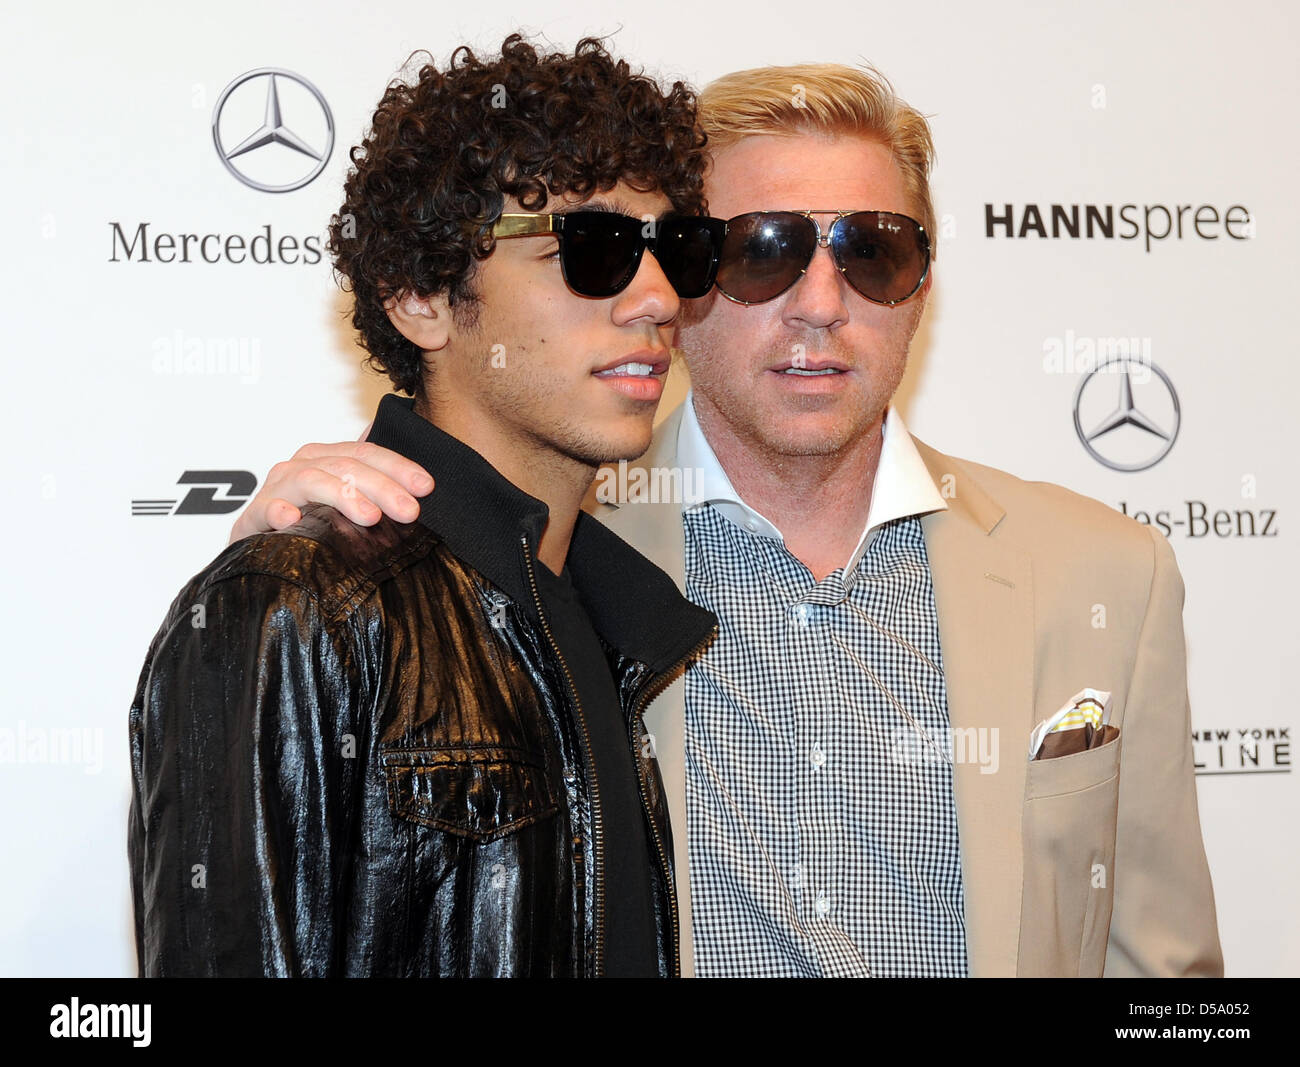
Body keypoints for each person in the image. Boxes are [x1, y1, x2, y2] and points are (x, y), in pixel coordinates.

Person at [230, 61, 1224, 978]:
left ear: (921, 290)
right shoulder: (558, 560)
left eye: (875, 251)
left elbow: (1165, 976)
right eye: (759, 252)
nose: (821, 303)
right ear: (684, 281)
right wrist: (278, 566)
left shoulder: (1104, 573)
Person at [127, 33, 723, 978]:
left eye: (676, 251)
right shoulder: (296, 605)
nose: (657, 298)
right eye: (593, 248)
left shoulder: (612, 616)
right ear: (420, 298)